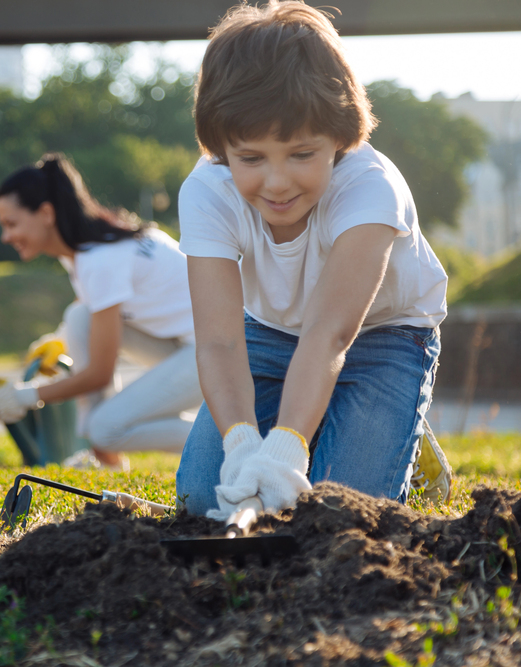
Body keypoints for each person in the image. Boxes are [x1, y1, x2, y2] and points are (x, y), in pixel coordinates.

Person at [175, 1, 451, 519]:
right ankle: (321, 419)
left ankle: (399, 436)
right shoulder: (207, 190)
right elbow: (219, 339)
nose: (277, 183)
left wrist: (283, 448)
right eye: (251, 159)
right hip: (269, 333)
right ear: (220, 149)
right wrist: (240, 445)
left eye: (302, 154)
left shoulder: (369, 188)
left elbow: (329, 335)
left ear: (340, 137)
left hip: (383, 335)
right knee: (198, 500)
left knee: (336, 514)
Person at [0, 153, 203, 469]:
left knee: (105, 429)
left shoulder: (98, 260)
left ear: (46, 213)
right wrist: (59, 339)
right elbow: (92, 317)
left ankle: (237, 442)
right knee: (78, 317)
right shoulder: (88, 248)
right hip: (189, 345)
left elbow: (99, 374)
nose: (6, 236)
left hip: (220, 353)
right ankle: (105, 458)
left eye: (12, 224)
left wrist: (28, 396)